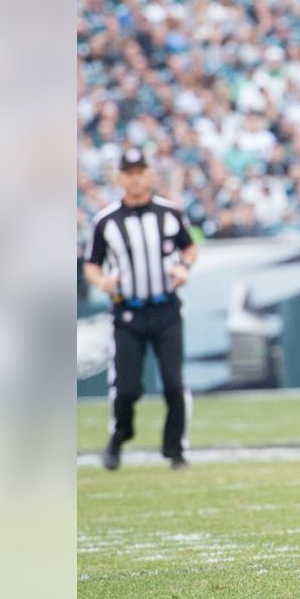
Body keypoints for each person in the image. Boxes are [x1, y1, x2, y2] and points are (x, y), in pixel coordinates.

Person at [83, 149, 197, 471]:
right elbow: (91, 264)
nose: (135, 177)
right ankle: (119, 437)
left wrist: (184, 267)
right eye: (128, 172)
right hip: (128, 314)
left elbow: (189, 247)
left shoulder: (170, 213)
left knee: (174, 384)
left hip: (166, 309)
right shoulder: (105, 220)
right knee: (126, 388)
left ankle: (175, 450)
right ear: (119, 178)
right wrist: (102, 281)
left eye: (140, 171)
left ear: (149, 174)